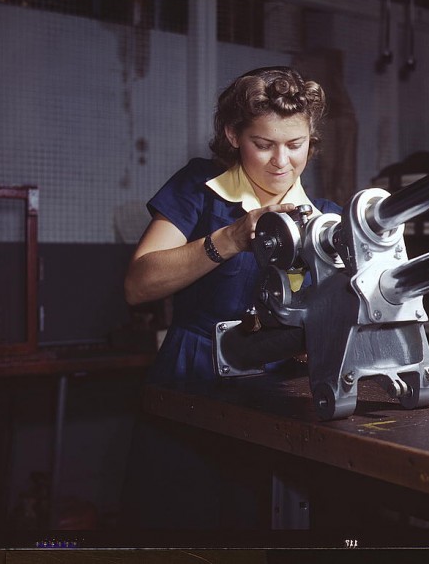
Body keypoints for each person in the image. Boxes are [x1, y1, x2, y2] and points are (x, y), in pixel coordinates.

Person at [119, 66, 341, 533]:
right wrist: (232, 238)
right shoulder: (200, 190)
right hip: (191, 383)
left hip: (283, 395)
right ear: (232, 134)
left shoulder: (326, 220)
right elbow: (138, 285)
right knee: (177, 528)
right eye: (263, 144)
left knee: (263, 525)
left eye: (295, 144)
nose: (281, 161)